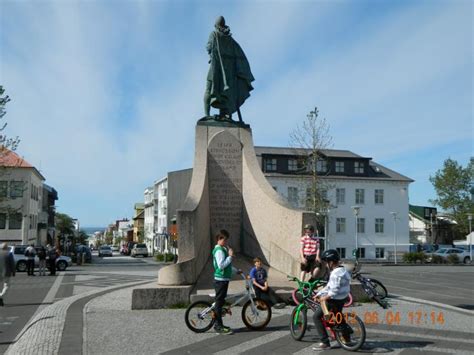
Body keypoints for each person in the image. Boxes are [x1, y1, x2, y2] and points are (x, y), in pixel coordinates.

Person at [204, 16, 254, 121]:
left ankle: (207, 114)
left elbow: (209, 47)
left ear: (216, 25)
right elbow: (238, 54)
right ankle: (224, 114)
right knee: (225, 92)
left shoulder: (214, 34)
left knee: (209, 89)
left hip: (215, 68)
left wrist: (211, 55)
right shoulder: (230, 39)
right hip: (228, 72)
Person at [312, 249, 351, 350]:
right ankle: (347, 338)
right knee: (338, 317)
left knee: (316, 317)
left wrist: (323, 298)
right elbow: (329, 286)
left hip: (334, 299)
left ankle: (325, 343)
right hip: (342, 298)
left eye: (326, 262)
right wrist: (319, 293)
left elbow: (333, 291)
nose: (325, 264)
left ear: (331, 262)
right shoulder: (343, 270)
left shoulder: (335, 273)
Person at [212, 229, 239, 335]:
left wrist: (236, 271)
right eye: (225, 240)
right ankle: (218, 326)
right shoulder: (219, 250)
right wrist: (230, 256)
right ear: (219, 239)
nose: (226, 242)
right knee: (219, 304)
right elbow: (221, 265)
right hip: (220, 280)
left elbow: (227, 267)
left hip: (223, 280)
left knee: (220, 303)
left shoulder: (221, 249)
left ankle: (220, 324)